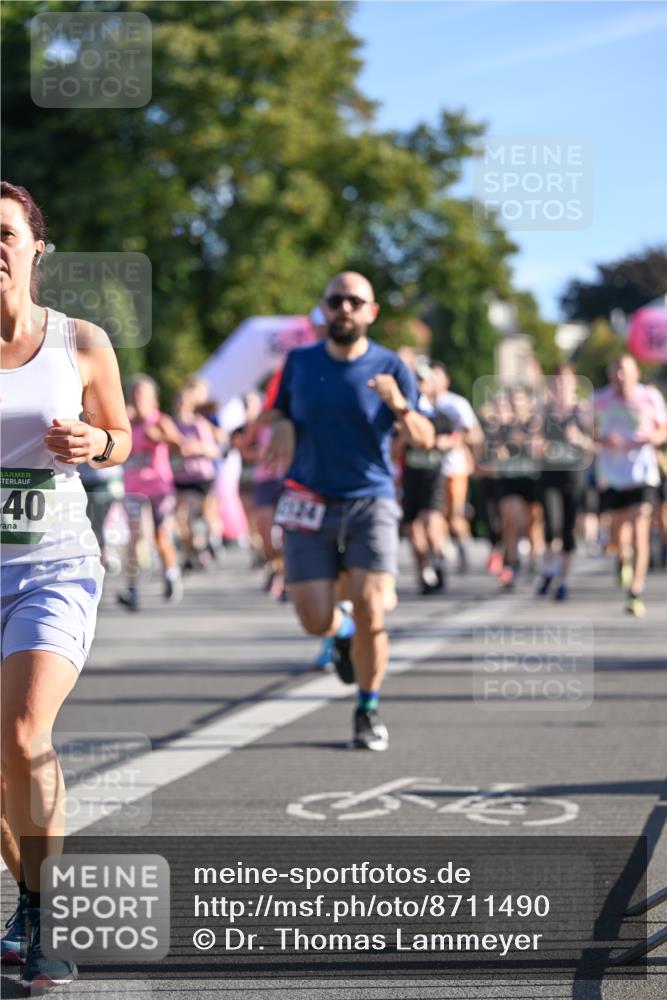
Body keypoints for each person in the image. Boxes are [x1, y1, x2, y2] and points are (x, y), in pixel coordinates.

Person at [0, 181, 131, 988]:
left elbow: (124, 437)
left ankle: (42, 918)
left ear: (33, 247)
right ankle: (26, 899)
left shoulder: (79, 341)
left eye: (2, 231)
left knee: (20, 735)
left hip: (51, 566)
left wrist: (95, 441)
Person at [264, 272, 434, 750]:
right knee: (314, 619)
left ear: (370, 311)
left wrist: (400, 405)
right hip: (308, 498)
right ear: (324, 307)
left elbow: (425, 438)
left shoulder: (391, 365)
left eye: (354, 301)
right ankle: (340, 633)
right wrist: (278, 425)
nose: (344, 308)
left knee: (372, 604)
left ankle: (367, 707)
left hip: (371, 500)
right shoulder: (298, 362)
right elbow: (274, 410)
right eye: (335, 300)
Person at [594, 355, 667, 616]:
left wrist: (651, 437)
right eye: (616, 371)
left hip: (642, 473)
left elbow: (664, 430)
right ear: (610, 375)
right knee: (617, 534)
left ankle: (635, 590)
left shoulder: (650, 397)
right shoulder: (599, 400)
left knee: (640, 531)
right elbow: (586, 430)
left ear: (636, 373)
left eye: (625, 371)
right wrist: (603, 439)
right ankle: (621, 558)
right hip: (612, 475)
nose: (620, 377)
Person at [118, 375, 184, 610]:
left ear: (153, 398)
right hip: (134, 489)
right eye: (134, 394)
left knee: (160, 536)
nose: (137, 399)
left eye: (142, 394)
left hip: (159, 488)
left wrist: (162, 438)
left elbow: (181, 447)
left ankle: (171, 573)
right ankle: (132, 589)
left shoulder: (160, 421)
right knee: (134, 537)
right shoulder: (124, 421)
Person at [535, 364, 594, 601]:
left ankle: (562, 580)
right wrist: (539, 446)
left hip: (574, 477)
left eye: (566, 381)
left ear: (574, 385)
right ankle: (548, 570)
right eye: (557, 381)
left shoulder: (583, 411)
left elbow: (594, 445)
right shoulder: (543, 411)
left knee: (568, 530)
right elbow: (532, 439)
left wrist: (579, 439)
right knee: (552, 526)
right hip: (549, 477)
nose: (560, 386)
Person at [431, 362, 483, 573]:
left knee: (455, 515)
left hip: (455, 467)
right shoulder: (422, 403)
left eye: (437, 377)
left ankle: (462, 546)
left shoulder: (456, 404)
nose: (433, 381)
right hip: (431, 469)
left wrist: (455, 441)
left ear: (446, 380)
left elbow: (475, 433)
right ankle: (439, 554)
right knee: (436, 514)